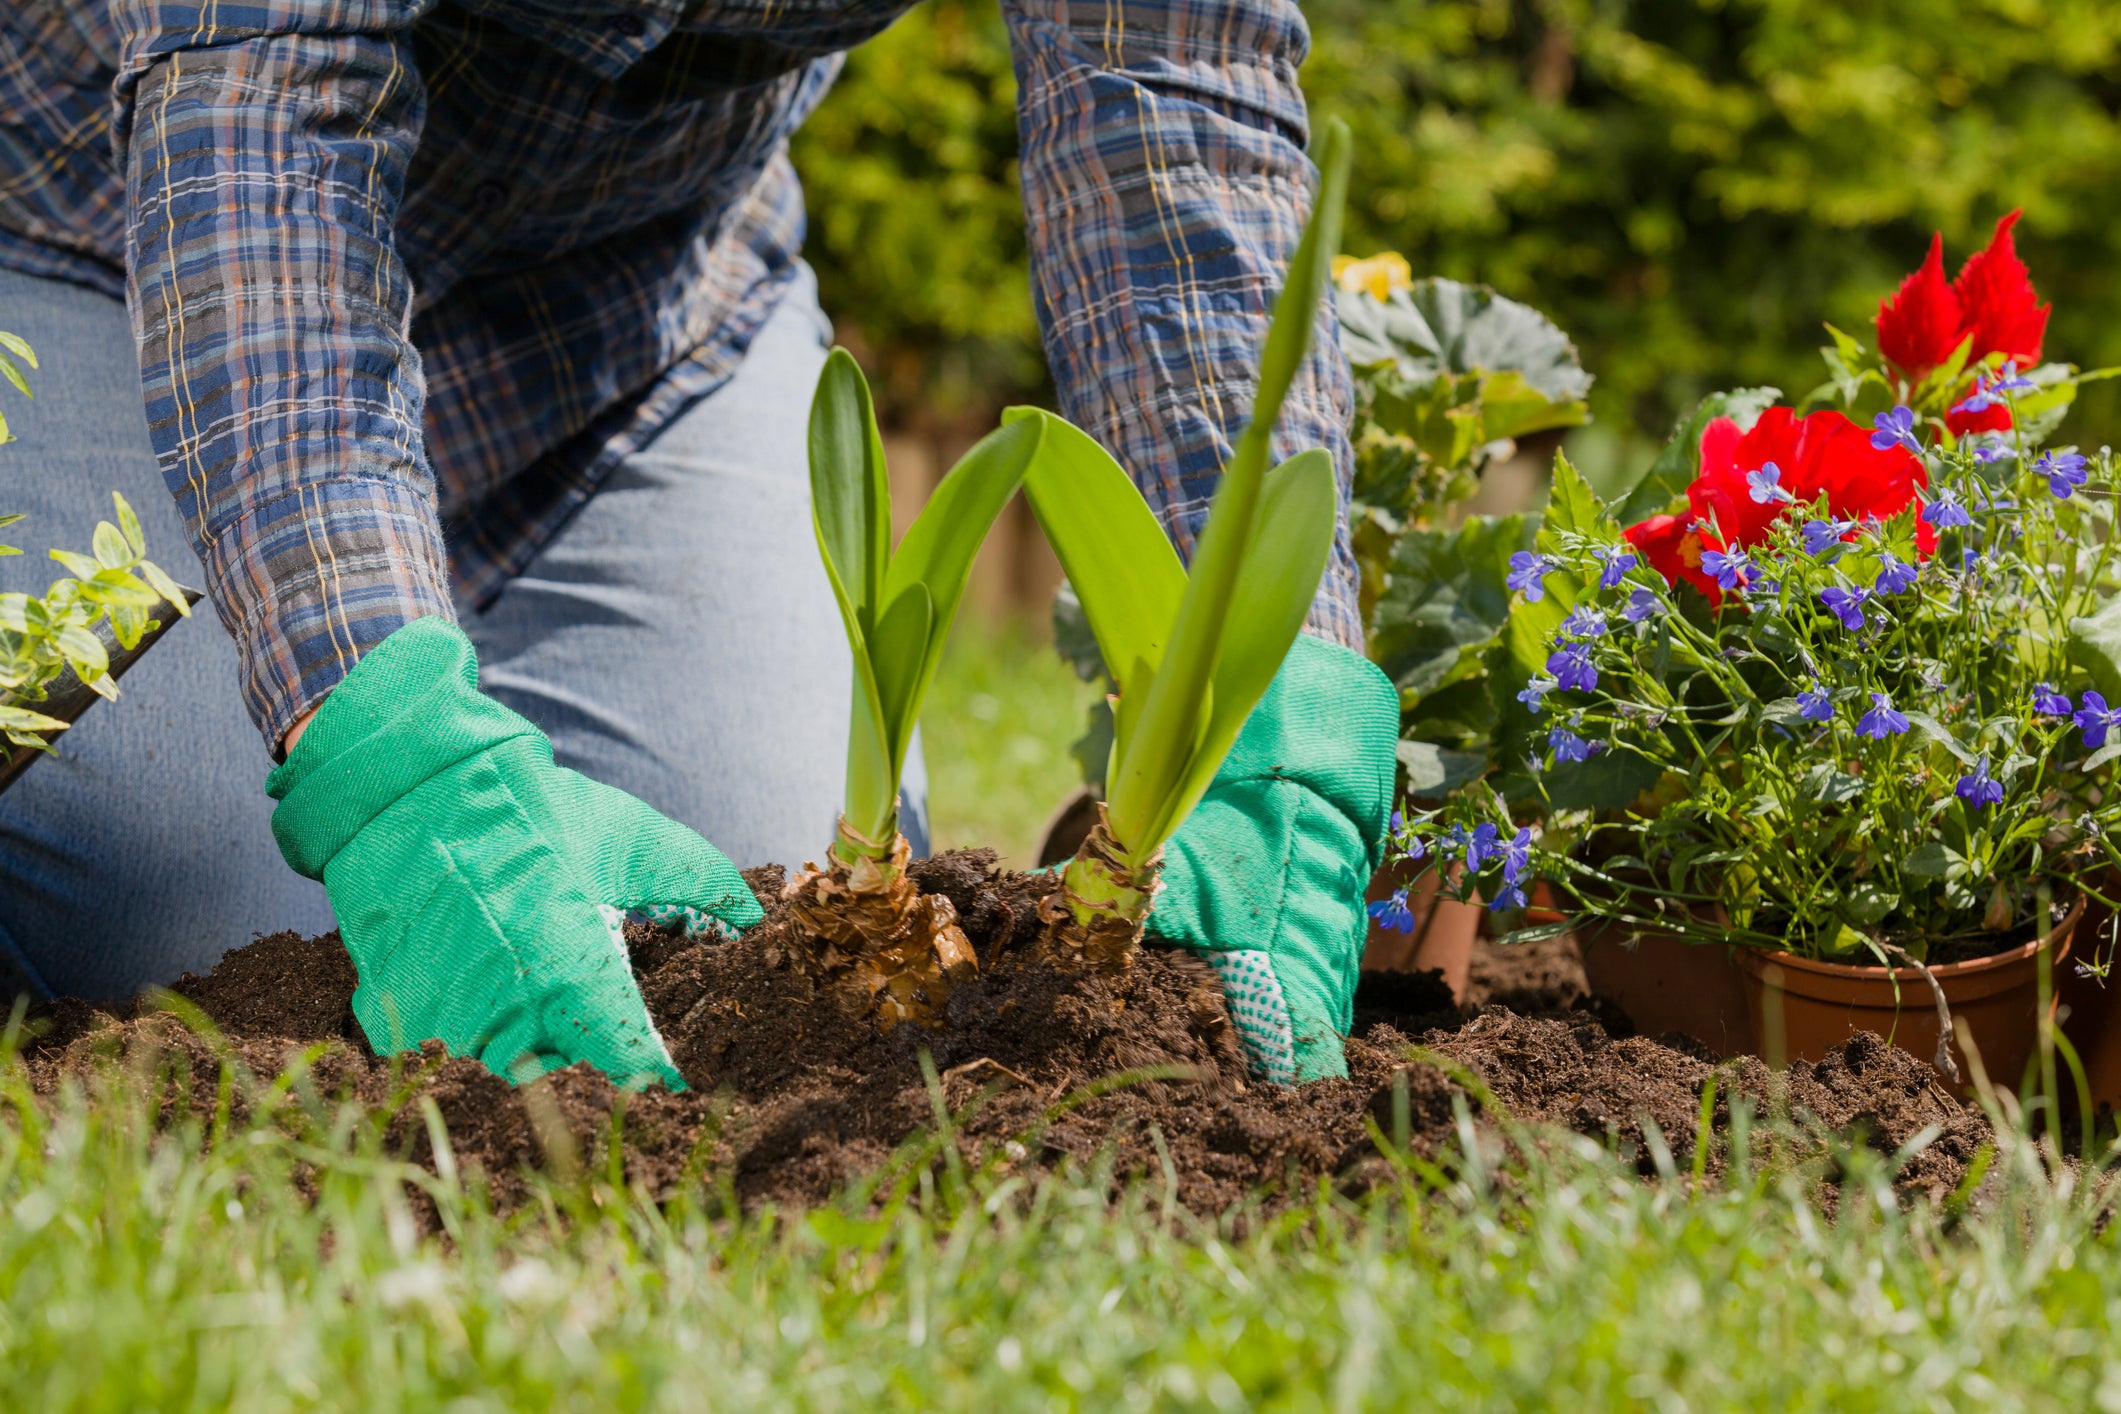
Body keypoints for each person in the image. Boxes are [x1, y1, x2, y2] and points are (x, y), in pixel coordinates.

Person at [0, 0, 1395, 1086]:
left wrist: (1268, 712)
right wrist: (395, 759)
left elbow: (1163, 96)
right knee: (207, 934)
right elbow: (265, 115)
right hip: (103, 256)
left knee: (777, 934)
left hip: (630, 314)